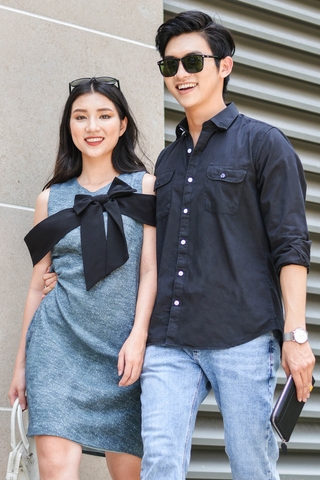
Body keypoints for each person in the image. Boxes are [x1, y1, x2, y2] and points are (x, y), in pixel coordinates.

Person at [138, 10, 316, 480]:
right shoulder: (167, 160)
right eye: (169, 65)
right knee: (158, 463)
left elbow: (291, 244)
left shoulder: (264, 144)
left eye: (193, 61)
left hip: (241, 336)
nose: (180, 74)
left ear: (225, 66)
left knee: (252, 468)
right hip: (169, 341)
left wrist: (296, 335)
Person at [8, 76, 157, 480]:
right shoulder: (50, 198)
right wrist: (21, 365)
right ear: (69, 127)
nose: (92, 127)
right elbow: (40, 282)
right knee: (56, 472)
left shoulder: (144, 187)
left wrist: (139, 337)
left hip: (123, 351)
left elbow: (150, 270)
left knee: (131, 474)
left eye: (104, 116)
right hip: (58, 348)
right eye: (81, 117)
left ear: (122, 125)